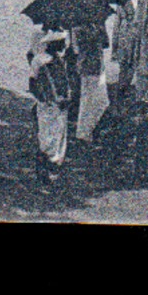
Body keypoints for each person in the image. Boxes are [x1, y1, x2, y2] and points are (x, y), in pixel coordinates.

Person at [29, 29, 74, 183]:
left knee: (58, 135)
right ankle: (45, 168)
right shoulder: (41, 61)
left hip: (60, 105)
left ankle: (51, 167)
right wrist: (44, 99)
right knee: (48, 135)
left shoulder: (59, 61)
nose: (64, 45)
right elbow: (33, 83)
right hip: (48, 105)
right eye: (61, 43)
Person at [72, 15, 110, 142]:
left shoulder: (77, 24)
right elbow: (105, 43)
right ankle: (87, 131)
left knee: (89, 99)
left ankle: (86, 130)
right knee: (95, 99)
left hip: (88, 64)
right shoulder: (94, 24)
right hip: (93, 64)